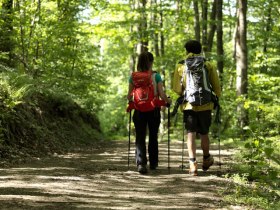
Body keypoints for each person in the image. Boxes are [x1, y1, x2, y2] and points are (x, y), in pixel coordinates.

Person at [172, 40, 221, 176]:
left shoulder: (181, 65)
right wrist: (215, 97)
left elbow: (177, 89)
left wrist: (185, 94)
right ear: (200, 50)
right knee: (204, 132)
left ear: (186, 51)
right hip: (206, 104)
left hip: (188, 105)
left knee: (190, 133)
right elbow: (216, 87)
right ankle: (206, 159)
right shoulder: (208, 64)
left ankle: (193, 164)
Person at [127, 51, 171, 174]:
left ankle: (141, 164)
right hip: (153, 110)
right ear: (151, 62)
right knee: (153, 136)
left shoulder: (133, 77)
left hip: (139, 110)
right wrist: (168, 102)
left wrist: (133, 99)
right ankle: (153, 163)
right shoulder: (156, 76)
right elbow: (161, 94)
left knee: (140, 136)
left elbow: (129, 96)